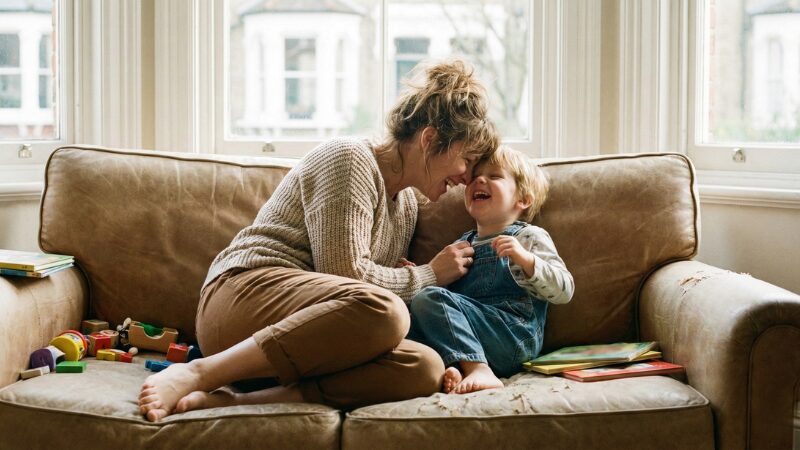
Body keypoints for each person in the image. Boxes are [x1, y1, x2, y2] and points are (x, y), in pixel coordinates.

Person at [137, 59, 500, 422]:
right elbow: (348, 276)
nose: (465, 178)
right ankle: (198, 372)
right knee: (387, 311)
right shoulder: (350, 158)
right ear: (429, 139)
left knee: (425, 367)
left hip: (304, 345)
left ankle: (238, 401)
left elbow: (357, 299)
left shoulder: (406, 205)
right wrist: (430, 275)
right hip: (242, 297)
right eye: (466, 160)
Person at [406, 146, 575, 395]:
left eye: (494, 176)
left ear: (523, 199)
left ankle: (478, 369)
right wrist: (420, 274)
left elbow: (565, 290)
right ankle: (456, 367)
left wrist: (526, 260)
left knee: (429, 298)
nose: (479, 181)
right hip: (471, 336)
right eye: (474, 177)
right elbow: (446, 304)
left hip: (512, 336)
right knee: (416, 309)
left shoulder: (528, 237)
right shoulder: (462, 244)